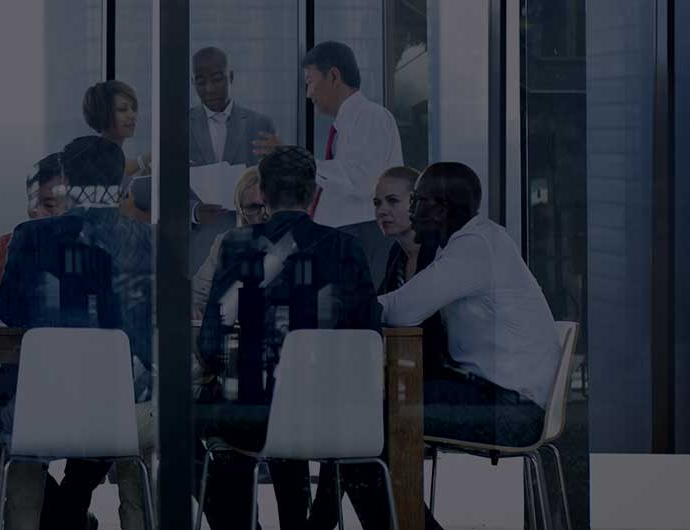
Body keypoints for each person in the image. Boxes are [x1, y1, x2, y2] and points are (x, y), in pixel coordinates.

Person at [195, 146, 380, 530]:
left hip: (256, 416)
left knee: (184, 423)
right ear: (314, 193)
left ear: (261, 193)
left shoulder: (239, 245)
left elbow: (210, 346)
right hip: (333, 413)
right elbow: (370, 341)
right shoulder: (347, 249)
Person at [376, 161, 562, 530]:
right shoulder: (473, 242)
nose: (412, 211)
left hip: (510, 411)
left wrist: (340, 304)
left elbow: (402, 310)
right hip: (494, 395)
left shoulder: (473, 249)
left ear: (442, 209)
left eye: (418, 201)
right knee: (377, 413)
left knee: (376, 422)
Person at [0, 135, 155, 530]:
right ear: (121, 186)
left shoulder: (30, 236)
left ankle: (59, 513)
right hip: (117, 409)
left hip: (41, 405)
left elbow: (10, 310)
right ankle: (79, 510)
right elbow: (145, 330)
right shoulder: (144, 240)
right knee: (141, 416)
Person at [306, 165, 446, 530]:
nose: (381, 210)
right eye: (377, 202)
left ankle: (318, 523)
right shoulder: (397, 257)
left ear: (418, 203)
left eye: (392, 201)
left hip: (441, 380)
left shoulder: (441, 254)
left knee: (353, 432)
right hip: (406, 378)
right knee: (350, 430)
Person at [253, 41, 404, 279]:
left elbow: (361, 181)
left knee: (348, 310)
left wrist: (298, 161)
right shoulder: (346, 124)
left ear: (334, 76)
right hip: (345, 233)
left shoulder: (370, 116)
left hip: (360, 233)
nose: (308, 93)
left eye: (310, 82)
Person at [187, 46, 278, 277]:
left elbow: (275, 185)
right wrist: (194, 211)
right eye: (200, 81)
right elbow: (166, 187)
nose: (209, 89)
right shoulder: (178, 126)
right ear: (192, 81)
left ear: (231, 76)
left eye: (217, 79)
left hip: (251, 243)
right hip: (199, 247)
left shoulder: (261, 124)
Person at [0, 153, 65, 300]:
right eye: (32, 203)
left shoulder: (93, 250)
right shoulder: (5, 246)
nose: (37, 213)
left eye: (49, 205)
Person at [191, 167, 266, 317]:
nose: (264, 214)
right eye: (253, 207)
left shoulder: (297, 242)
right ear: (241, 211)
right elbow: (197, 296)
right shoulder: (226, 243)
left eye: (268, 204)